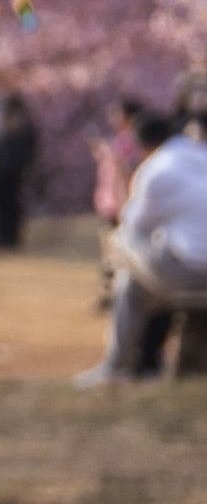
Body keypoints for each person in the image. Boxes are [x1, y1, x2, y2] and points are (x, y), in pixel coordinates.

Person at [74, 113, 207, 387]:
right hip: (189, 266)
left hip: (192, 273)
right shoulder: (200, 156)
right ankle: (137, 361)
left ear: (141, 145)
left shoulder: (156, 170)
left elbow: (132, 225)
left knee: (122, 240)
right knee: (132, 286)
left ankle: (117, 367)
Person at [88, 99, 145, 309]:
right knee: (110, 251)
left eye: (117, 113)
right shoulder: (122, 140)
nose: (113, 118)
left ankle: (112, 295)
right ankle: (110, 293)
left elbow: (129, 171)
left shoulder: (132, 141)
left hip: (120, 204)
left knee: (116, 252)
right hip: (111, 202)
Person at [0, 92, 38, 250]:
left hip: (13, 173)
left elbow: (26, 154)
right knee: (2, 205)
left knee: (12, 205)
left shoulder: (22, 132)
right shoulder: (3, 132)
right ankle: (2, 237)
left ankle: (11, 238)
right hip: (2, 173)